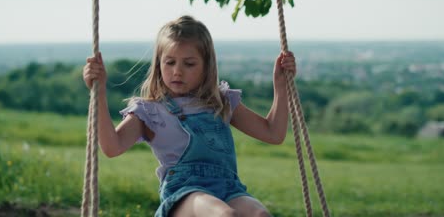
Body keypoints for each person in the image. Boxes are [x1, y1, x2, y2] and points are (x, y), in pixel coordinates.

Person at [83, 15, 296, 217]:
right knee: (223, 214)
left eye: (189, 63)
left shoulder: (220, 103)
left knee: (259, 214)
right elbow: (112, 147)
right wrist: (99, 93)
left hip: (230, 189)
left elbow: (273, 133)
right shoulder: (150, 111)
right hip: (184, 196)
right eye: (170, 62)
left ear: (206, 67)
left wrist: (281, 87)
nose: (177, 71)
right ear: (159, 64)